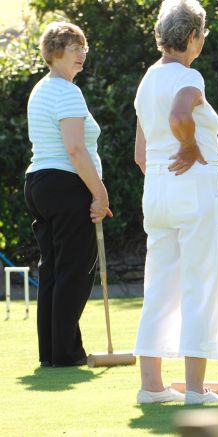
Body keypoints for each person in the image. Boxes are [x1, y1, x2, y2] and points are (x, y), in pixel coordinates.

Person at [133, 0, 218, 405]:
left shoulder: (146, 79)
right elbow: (178, 113)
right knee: (200, 284)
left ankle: (152, 387)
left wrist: (166, 177)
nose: (202, 40)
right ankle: (194, 390)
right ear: (192, 36)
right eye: (202, 34)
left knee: (159, 286)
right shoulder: (188, 77)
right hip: (194, 187)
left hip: (156, 189)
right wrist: (189, 146)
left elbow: (140, 153)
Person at [24, 22, 111, 367]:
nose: (81, 55)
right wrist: (100, 193)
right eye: (74, 49)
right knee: (74, 270)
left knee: (55, 270)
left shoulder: (42, 89)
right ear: (55, 51)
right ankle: (66, 353)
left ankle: (54, 353)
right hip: (65, 185)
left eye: (83, 49)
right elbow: (75, 149)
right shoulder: (65, 91)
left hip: (40, 185)